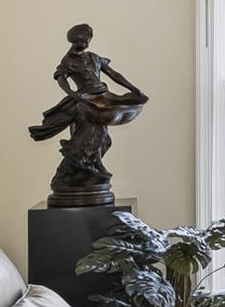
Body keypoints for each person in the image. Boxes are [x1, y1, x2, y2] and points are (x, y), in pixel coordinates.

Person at [28, 23, 148, 201]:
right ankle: (81, 170)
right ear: (74, 41)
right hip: (86, 103)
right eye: (82, 41)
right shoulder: (68, 61)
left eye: (87, 40)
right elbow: (61, 79)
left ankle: (92, 168)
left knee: (103, 139)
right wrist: (74, 95)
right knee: (92, 136)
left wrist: (134, 89)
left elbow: (114, 74)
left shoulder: (93, 57)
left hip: (103, 99)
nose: (85, 44)